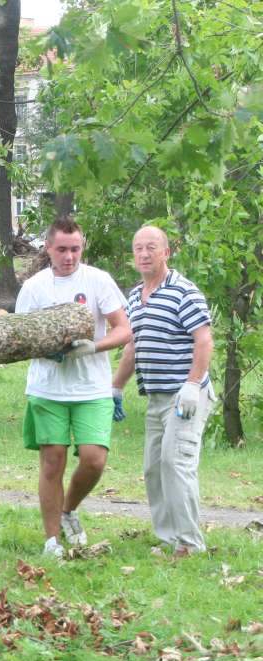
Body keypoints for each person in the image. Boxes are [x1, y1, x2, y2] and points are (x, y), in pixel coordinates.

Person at [15, 217, 132, 558]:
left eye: (75, 249)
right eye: (62, 249)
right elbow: (21, 337)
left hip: (92, 387)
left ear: (82, 247)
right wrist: (46, 349)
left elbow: (123, 329)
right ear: (49, 248)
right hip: (48, 387)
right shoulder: (35, 287)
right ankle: (51, 541)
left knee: (94, 460)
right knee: (53, 462)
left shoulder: (97, 280)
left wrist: (94, 346)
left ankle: (68, 510)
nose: (69, 256)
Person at [112, 225, 214, 557]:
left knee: (175, 461)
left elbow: (204, 340)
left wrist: (192, 384)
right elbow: (133, 347)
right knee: (154, 468)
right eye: (138, 248)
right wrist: (116, 387)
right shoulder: (133, 296)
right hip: (156, 398)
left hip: (185, 396)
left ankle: (189, 543)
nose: (144, 254)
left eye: (151, 247)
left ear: (166, 252)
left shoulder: (184, 291)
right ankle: (169, 538)